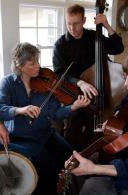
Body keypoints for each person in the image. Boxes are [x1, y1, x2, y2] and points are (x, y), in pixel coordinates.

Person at [0, 42, 91, 195]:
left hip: (45, 133)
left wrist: (73, 107)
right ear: (20, 65)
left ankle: (65, 191)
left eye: (38, 60)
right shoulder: (8, 83)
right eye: (33, 63)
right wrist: (20, 110)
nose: (38, 66)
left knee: (70, 155)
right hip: (21, 137)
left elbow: (56, 113)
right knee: (44, 162)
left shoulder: (45, 84)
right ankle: (49, 194)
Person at [52, 4, 124, 151]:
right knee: (73, 135)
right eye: (69, 23)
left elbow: (118, 48)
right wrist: (80, 82)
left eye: (76, 23)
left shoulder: (93, 37)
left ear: (84, 20)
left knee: (97, 135)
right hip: (74, 95)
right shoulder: (60, 45)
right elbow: (59, 73)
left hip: (100, 93)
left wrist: (106, 25)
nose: (72, 28)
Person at [58, 55, 128, 195]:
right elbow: (122, 110)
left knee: (91, 187)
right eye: (126, 76)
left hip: (124, 170)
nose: (126, 84)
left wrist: (95, 168)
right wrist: (111, 121)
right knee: (74, 169)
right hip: (120, 154)